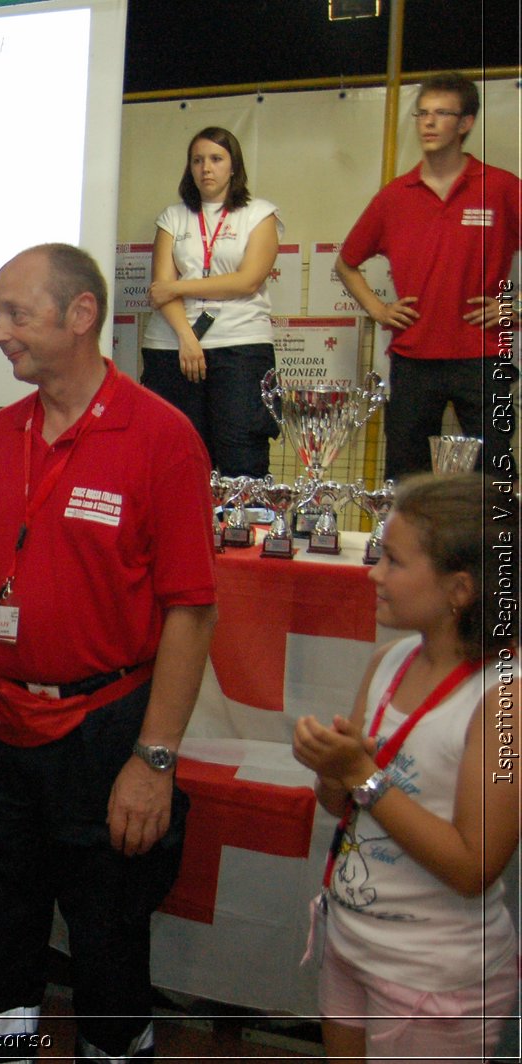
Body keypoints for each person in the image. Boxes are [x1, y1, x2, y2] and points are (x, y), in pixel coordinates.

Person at [0, 244, 216, 1062]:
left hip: (102, 734)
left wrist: (154, 759)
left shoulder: (162, 437)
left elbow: (191, 610)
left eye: (13, 314)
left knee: (107, 948)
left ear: (82, 315)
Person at [292, 472, 517, 1062]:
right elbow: (343, 803)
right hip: (352, 943)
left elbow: (475, 865)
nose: (374, 573)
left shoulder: (504, 701)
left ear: (460, 589)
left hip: (433, 978)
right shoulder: (391, 662)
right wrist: (330, 767)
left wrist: (363, 775)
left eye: (393, 560)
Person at [336, 72, 521, 482]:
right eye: (423, 113)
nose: (429, 123)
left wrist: (514, 306)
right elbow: (346, 263)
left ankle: (494, 549)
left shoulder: (503, 187)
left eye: (442, 113)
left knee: (494, 475)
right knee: (406, 475)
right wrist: (379, 309)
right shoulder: (395, 195)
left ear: (466, 123)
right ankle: (404, 548)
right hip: (413, 358)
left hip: (484, 355)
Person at [141, 126, 282, 477]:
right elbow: (161, 290)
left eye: (216, 159)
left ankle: (241, 530)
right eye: (198, 160)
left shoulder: (259, 214)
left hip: (240, 346)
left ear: (233, 166)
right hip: (173, 345)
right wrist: (187, 338)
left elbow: (247, 281)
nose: (206, 168)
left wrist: (179, 287)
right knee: (177, 458)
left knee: (242, 454)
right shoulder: (173, 217)